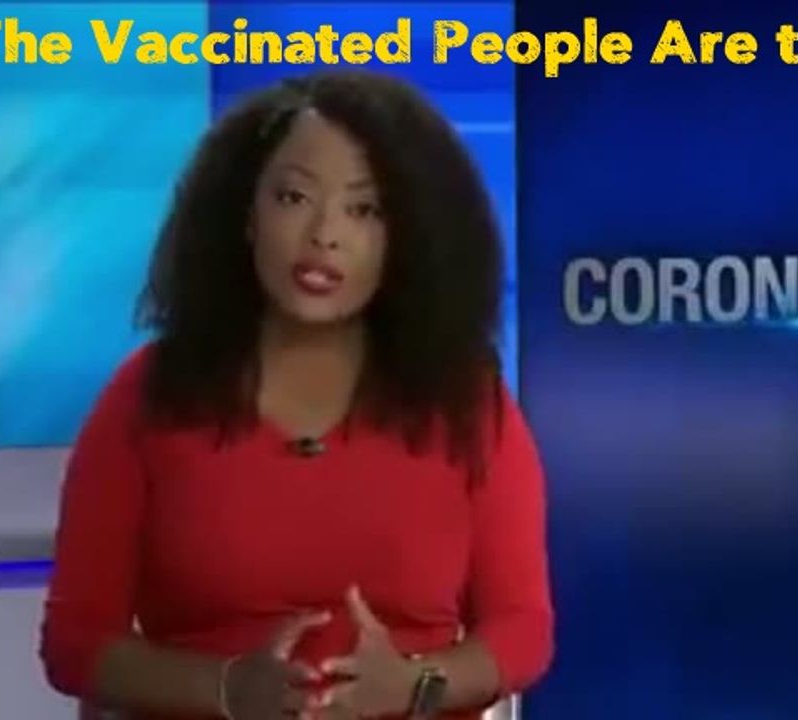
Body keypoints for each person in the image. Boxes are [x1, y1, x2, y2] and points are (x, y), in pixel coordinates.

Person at [39, 69, 554, 720]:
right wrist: (227, 689)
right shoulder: (151, 396)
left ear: (407, 236)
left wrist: (415, 685)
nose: (324, 235)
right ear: (245, 215)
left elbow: (522, 630)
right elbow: (75, 642)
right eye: (293, 197)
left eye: (364, 209)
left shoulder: (465, 403)